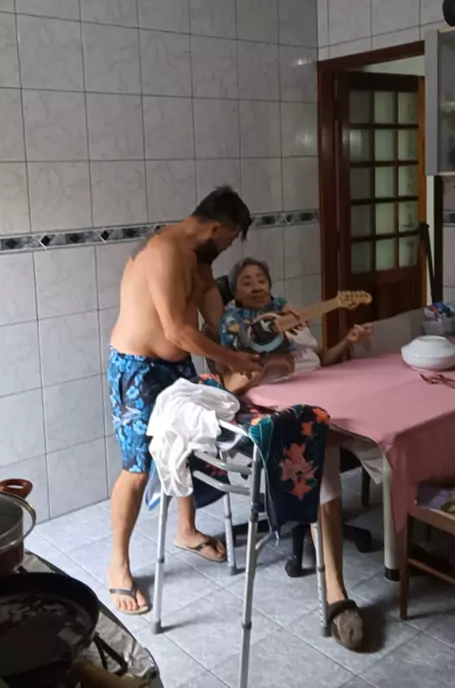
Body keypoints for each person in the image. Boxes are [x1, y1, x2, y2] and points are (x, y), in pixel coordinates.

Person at [107, 188, 260, 615]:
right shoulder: (165, 252)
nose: (228, 246)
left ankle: (186, 530)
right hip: (137, 369)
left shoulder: (200, 260)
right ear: (215, 227)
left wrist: (235, 349)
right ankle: (118, 563)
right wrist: (231, 358)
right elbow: (175, 329)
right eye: (230, 238)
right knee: (137, 468)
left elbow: (212, 315)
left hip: (177, 366)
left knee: (189, 444)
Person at [219, 257, 380, 650]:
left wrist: (347, 342)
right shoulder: (234, 325)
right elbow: (231, 383)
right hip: (283, 406)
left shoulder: (290, 312)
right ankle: (336, 594)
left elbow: (319, 358)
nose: (256, 285)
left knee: (382, 425)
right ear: (234, 292)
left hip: (325, 389)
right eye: (246, 281)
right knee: (319, 451)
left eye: (261, 278)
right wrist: (272, 363)